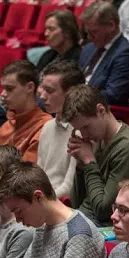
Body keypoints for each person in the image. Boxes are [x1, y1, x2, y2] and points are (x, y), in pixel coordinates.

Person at [64, 85, 129, 226]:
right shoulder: (97, 141)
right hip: (83, 218)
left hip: (105, 227)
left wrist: (89, 162)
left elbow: (104, 211)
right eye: (79, 129)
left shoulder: (128, 148)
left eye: (86, 127)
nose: (84, 135)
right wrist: (80, 165)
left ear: (101, 110)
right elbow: (77, 202)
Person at [36, 61, 84, 199]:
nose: (42, 96)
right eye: (43, 89)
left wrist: (38, 201)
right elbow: (39, 174)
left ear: (70, 93)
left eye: (50, 90)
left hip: (58, 205)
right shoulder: (47, 126)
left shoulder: (81, 131)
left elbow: (68, 188)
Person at [79, 2, 129, 105]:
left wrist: (75, 97)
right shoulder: (89, 48)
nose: (89, 37)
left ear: (111, 26)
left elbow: (112, 95)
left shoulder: (126, 55)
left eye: (93, 32)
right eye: (87, 33)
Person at [0, 61, 53, 163]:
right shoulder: (5, 127)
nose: (3, 94)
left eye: (9, 88)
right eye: (3, 88)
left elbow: (27, 174)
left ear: (30, 87)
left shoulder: (45, 126)